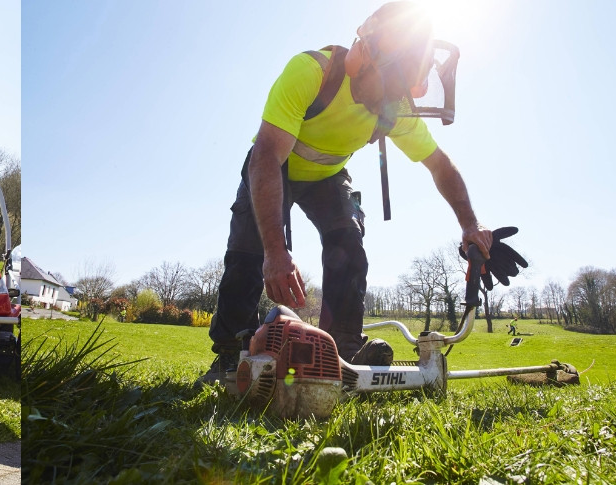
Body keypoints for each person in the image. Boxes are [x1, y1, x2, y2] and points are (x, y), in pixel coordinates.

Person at [199, 2, 521, 385]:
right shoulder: (311, 72)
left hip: (329, 177)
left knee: (348, 244)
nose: (394, 103)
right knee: (250, 246)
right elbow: (267, 156)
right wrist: (275, 251)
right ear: (364, 53)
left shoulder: (393, 106)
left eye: (402, 91)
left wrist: (471, 225)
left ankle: (340, 352)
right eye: (391, 86)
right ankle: (231, 353)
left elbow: (440, 165)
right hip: (274, 166)